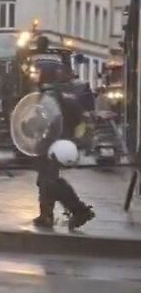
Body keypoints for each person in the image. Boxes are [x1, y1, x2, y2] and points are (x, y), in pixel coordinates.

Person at [31, 61, 95, 231]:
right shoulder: (53, 93)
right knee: (44, 180)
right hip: (50, 143)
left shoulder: (51, 95)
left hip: (55, 144)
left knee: (50, 181)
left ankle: (79, 210)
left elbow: (47, 117)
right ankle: (46, 215)